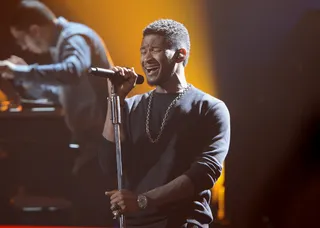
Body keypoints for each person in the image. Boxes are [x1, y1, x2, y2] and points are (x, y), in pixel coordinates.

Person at [99, 19, 231, 228]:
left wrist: (143, 201)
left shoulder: (209, 108)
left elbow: (203, 174)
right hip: (133, 223)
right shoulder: (130, 106)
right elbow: (109, 165)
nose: (146, 58)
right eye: (143, 51)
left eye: (155, 50)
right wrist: (114, 99)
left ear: (180, 54)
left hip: (184, 223)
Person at [0, 0, 113, 226]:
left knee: (92, 212)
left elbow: (72, 71)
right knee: (86, 208)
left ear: (34, 31)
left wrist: (23, 72)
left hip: (104, 146)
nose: (24, 47)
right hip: (92, 148)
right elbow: (61, 92)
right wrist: (23, 76)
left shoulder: (74, 37)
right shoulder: (65, 44)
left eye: (23, 40)